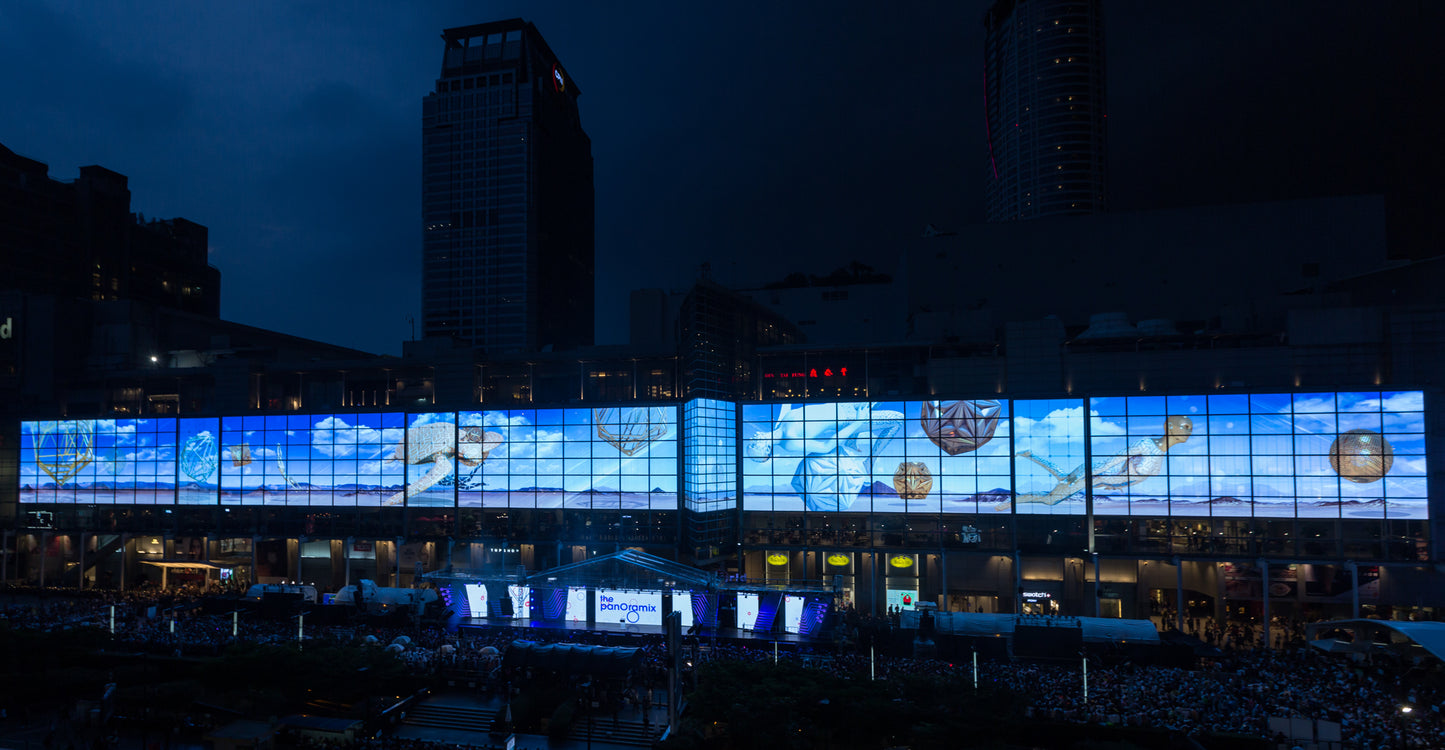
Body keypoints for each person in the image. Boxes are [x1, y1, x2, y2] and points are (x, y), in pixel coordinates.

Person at [999, 415, 1193, 510]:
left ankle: (1030, 455)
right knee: (1051, 499)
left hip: (1099, 479)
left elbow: (1129, 474)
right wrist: (1087, 475)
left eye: (1189, 428)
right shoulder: (1146, 444)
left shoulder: (1159, 453)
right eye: (1185, 426)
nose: (1189, 431)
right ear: (1169, 426)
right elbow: (1114, 460)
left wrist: (1115, 484)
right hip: (1093, 474)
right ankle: (1012, 501)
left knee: (1060, 481)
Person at [747, 402, 903, 512]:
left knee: (881, 396)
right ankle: (870, 461)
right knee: (897, 419)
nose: (753, 440)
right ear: (767, 449)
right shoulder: (790, 442)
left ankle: (853, 439)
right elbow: (826, 446)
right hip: (848, 419)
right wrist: (858, 423)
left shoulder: (780, 425)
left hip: (843, 405)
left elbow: (784, 404)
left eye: (751, 444)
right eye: (754, 447)